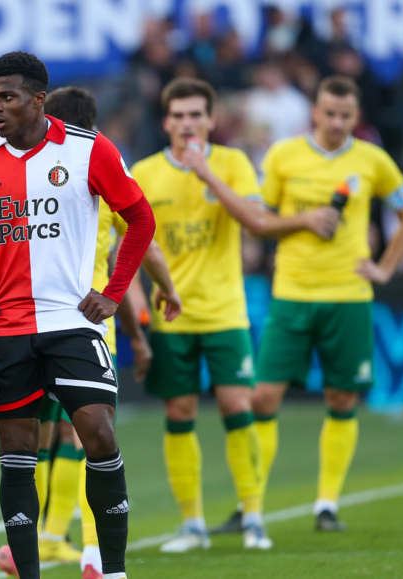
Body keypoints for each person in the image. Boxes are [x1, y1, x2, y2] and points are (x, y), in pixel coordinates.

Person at [0, 51, 156, 579]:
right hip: (7, 330)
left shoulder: (88, 149)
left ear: (39, 99)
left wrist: (114, 293)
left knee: (98, 434)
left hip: (73, 324)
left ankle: (111, 569)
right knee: (18, 453)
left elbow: (140, 220)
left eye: (8, 96)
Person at [0, 85, 181, 578]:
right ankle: (92, 555)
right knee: (90, 439)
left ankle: (44, 538)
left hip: (17, 327)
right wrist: (152, 307)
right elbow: (140, 243)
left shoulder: (17, 175)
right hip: (83, 323)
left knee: (34, 442)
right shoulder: (95, 168)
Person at [249, 76, 403, 531]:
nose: (337, 122)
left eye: (346, 115)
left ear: (356, 116)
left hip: (348, 294)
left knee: (342, 396)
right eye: (330, 113)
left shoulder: (372, 160)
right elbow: (259, 221)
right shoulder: (283, 155)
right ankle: (253, 507)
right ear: (315, 112)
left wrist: (385, 268)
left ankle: (326, 504)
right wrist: (305, 218)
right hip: (291, 293)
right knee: (264, 396)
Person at [129, 78, 271, 552]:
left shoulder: (232, 163)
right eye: (180, 116)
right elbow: (129, 245)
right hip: (172, 316)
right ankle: (192, 524)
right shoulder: (144, 173)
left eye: (197, 115)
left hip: (226, 311)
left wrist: (207, 175)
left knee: (237, 406)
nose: (188, 123)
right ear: (166, 121)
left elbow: (255, 223)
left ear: (212, 120)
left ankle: (253, 516)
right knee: (179, 411)